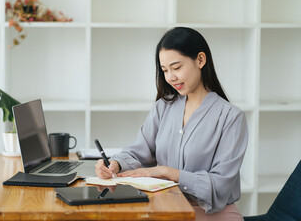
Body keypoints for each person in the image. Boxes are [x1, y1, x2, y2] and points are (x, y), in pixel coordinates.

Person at [95, 27, 248, 219]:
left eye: (176, 68)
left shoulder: (231, 117)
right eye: (165, 70)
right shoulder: (163, 107)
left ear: (200, 60)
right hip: (166, 207)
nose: (170, 77)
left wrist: (168, 173)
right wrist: (115, 164)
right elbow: (138, 151)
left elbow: (220, 184)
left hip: (210, 213)